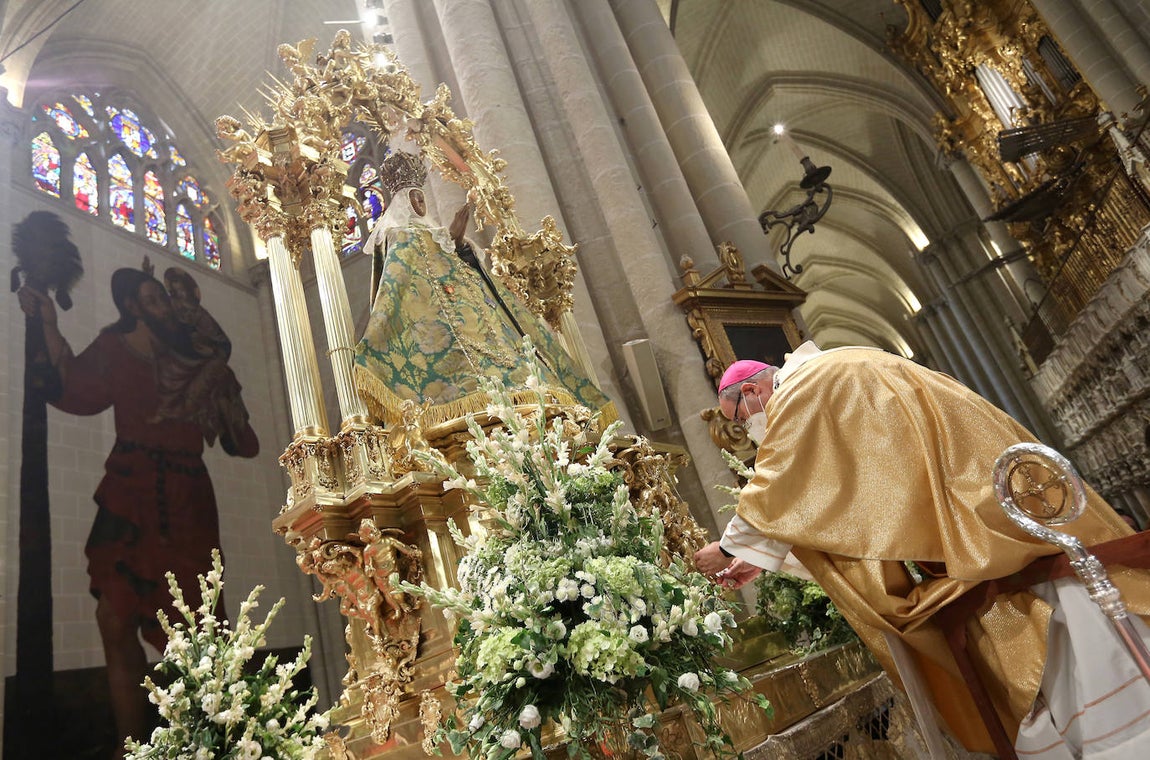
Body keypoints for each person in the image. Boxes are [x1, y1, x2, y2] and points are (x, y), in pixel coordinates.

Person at [694, 342, 1150, 758]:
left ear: (753, 390)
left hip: (986, 519)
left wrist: (730, 547)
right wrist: (765, 557)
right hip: (991, 490)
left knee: (1066, 637)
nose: (748, 430)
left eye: (741, 419)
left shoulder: (803, 389)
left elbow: (785, 477)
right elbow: (854, 496)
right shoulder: (841, 364)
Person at [18, 264, 259, 758]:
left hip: (185, 494)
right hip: (130, 487)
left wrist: (223, 397)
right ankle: (132, 747)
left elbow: (244, 443)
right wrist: (47, 321)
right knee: (113, 616)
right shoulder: (113, 348)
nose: (165, 307)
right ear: (131, 306)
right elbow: (72, 389)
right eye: (153, 299)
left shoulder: (194, 357)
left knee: (199, 621)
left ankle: (219, 741)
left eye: (165, 300)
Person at [353, 148, 614, 429]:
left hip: (480, 323)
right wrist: (446, 241)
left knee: (524, 365)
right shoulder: (396, 234)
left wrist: (459, 245)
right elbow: (398, 282)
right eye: (414, 199)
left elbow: (464, 267)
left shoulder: (438, 235)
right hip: (439, 328)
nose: (420, 204)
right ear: (404, 201)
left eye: (422, 197)